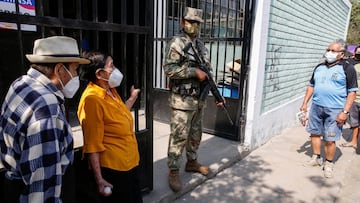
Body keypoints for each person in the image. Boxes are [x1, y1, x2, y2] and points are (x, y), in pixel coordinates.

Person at [0, 36, 90, 202]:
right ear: (59, 70)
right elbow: (42, 183)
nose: (77, 75)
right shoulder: (46, 107)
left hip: (13, 184)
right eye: (75, 69)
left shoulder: (20, 83)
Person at [163, 7, 224, 192]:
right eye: (191, 22)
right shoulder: (176, 43)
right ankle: (173, 170)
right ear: (183, 22)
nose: (194, 26)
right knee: (179, 135)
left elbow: (208, 72)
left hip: (199, 100)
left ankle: (192, 162)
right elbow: (169, 69)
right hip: (182, 100)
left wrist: (217, 95)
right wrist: (192, 71)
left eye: (197, 23)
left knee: (196, 134)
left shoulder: (200, 45)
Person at [77, 51, 142, 203]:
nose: (116, 69)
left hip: (130, 161)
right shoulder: (92, 100)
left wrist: (132, 98)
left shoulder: (110, 90)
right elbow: (92, 145)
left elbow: (120, 115)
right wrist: (99, 180)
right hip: (115, 169)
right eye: (111, 66)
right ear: (99, 73)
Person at [300, 39, 358, 178]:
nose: (329, 53)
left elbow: (352, 92)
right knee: (314, 133)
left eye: (333, 51)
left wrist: (345, 112)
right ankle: (316, 158)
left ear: (342, 54)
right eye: (328, 49)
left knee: (330, 138)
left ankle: (329, 163)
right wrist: (304, 103)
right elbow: (311, 86)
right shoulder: (319, 67)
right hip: (316, 107)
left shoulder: (347, 68)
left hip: (335, 109)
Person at [341, 46, 360, 149]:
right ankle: (353, 141)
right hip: (354, 98)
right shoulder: (349, 64)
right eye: (358, 52)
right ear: (354, 53)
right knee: (354, 122)